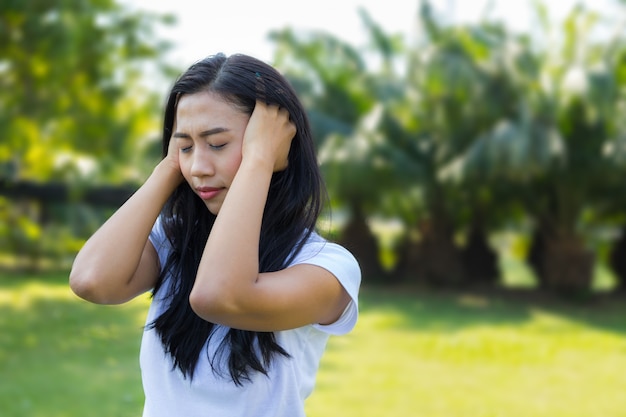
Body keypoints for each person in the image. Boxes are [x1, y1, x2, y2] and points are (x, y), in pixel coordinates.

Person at [69, 53, 361, 417]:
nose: (198, 168)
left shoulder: (327, 267)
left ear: (278, 145)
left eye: (218, 144)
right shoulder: (174, 241)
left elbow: (220, 297)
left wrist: (258, 160)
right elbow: (91, 281)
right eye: (185, 147)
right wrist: (168, 168)